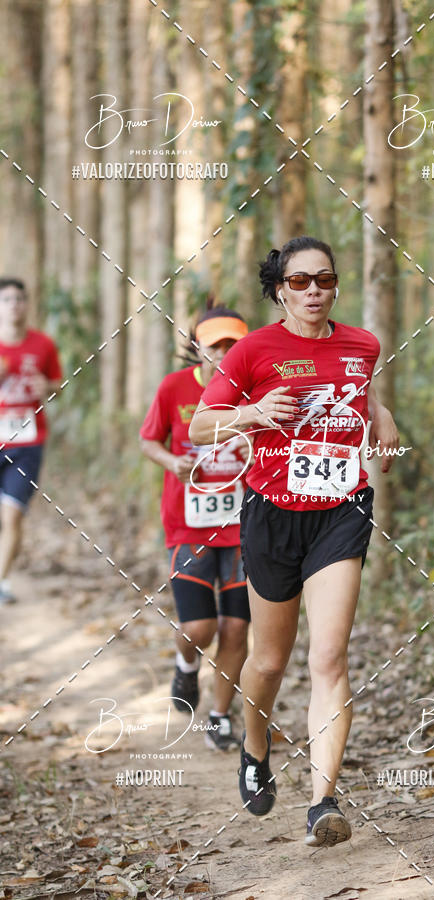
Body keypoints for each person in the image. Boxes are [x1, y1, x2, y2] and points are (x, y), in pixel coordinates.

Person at [189, 236, 399, 845]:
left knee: (330, 657)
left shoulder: (363, 344)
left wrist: (380, 418)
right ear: (279, 289)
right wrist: (253, 415)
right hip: (272, 512)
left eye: (325, 280)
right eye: (301, 281)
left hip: (341, 509)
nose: (314, 291)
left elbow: (359, 389)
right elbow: (204, 424)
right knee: (270, 660)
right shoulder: (253, 350)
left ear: (336, 286)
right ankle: (254, 750)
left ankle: (323, 802)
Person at [140, 301, 251, 751]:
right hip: (190, 526)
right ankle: (187, 667)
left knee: (237, 629)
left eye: (233, 345)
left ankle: (221, 717)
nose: (224, 353)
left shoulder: (257, 390)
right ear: (198, 349)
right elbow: (149, 440)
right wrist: (173, 462)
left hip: (245, 527)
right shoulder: (174, 389)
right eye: (215, 345)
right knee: (200, 629)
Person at [0, 278, 62, 605]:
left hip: (27, 441)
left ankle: (2, 580)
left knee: (11, 515)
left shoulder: (43, 345)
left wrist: (47, 388)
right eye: (7, 299)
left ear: (26, 304)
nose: (14, 305)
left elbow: (57, 384)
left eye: (19, 299)